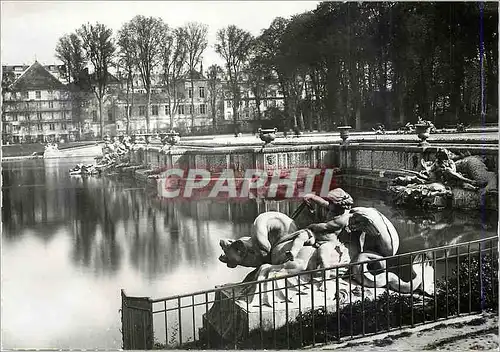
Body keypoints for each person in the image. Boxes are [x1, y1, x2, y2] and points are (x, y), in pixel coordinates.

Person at [285, 188, 354, 268]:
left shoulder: (341, 220)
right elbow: (323, 203)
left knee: (323, 255)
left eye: (331, 203)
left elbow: (324, 226)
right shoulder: (334, 208)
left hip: (328, 241)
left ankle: (325, 277)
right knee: (302, 236)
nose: (328, 204)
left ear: (337, 205)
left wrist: (312, 226)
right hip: (316, 235)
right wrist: (312, 196)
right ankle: (293, 252)